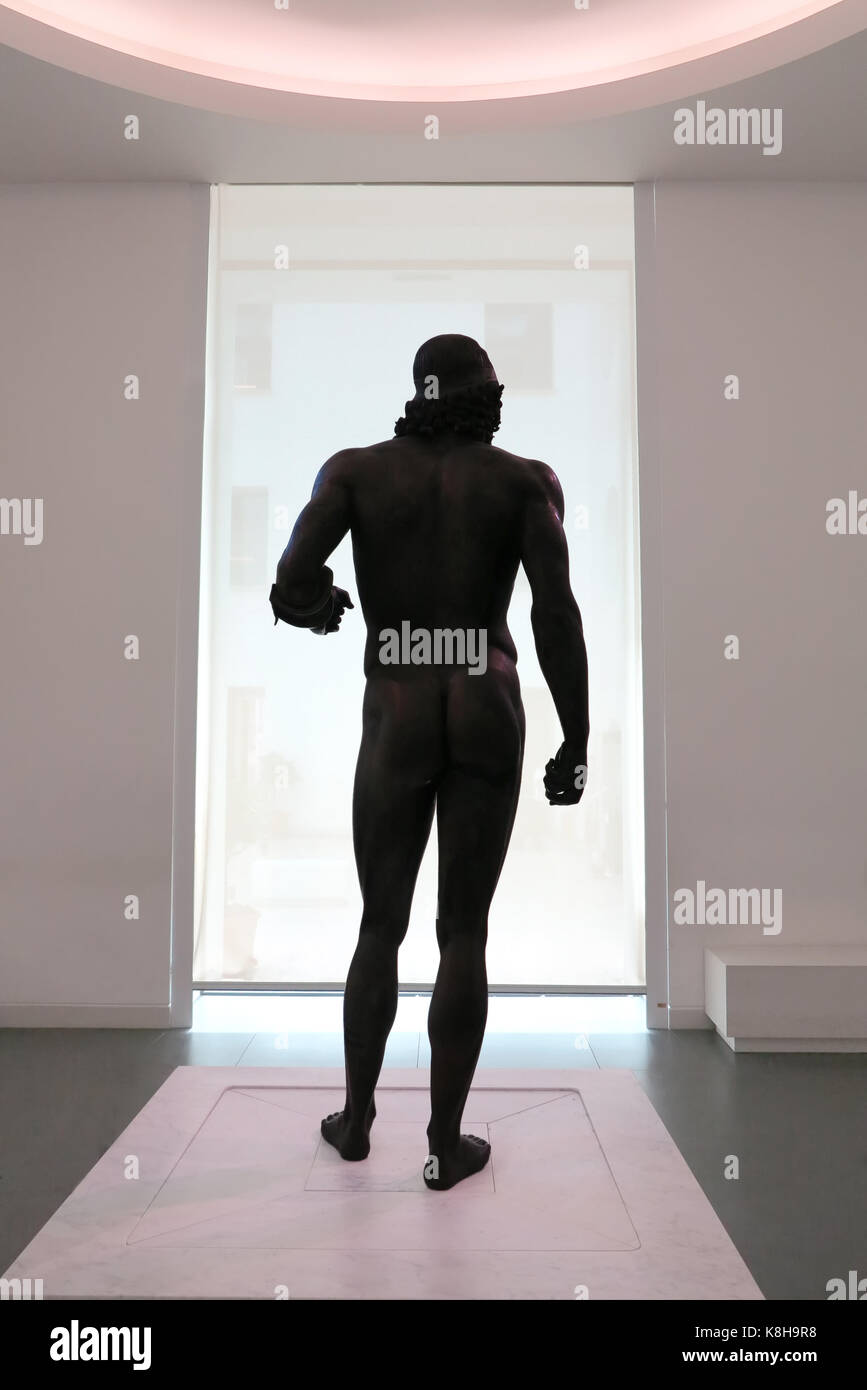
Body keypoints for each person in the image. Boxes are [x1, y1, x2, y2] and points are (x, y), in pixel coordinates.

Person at [269, 334, 589, 1190]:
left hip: (401, 697)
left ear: (419, 393)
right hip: (486, 694)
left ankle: (357, 1120)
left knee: (381, 923)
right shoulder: (525, 482)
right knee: (464, 931)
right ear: (483, 397)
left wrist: (316, 607)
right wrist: (577, 738)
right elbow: (556, 617)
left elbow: (292, 576)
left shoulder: (356, 473)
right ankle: (445, 1148)